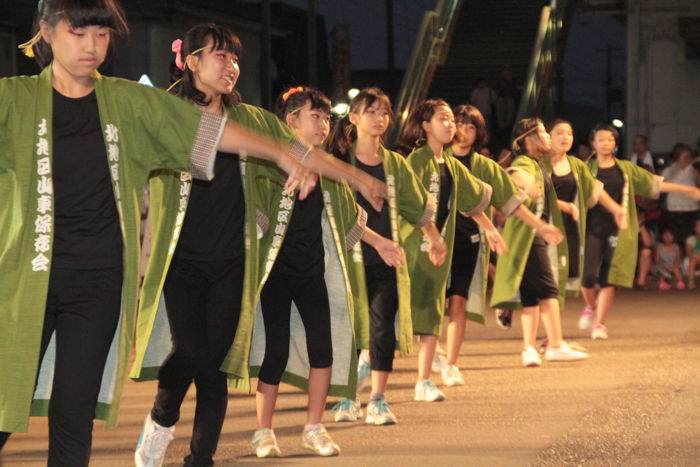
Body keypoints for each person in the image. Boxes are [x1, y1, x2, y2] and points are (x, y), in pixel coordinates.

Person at [0, 1, 334, 464]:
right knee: (4, 401)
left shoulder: (130, 101)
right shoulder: (14, 99)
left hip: (104, 281)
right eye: (79, 34)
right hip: (39, 275)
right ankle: (163, 416)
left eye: (101, 34)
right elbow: (199, 130)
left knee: (78, 412)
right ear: (46, 31)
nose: (92, 46)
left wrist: (283, 157)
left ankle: (199, 457)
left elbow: (216, 137)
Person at [247, 85, 403, 457]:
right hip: (275, 275)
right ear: (291, 121)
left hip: (311, 273)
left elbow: (348, 219)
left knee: (324, 350)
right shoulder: (271, 163)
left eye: (326, 117)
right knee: (275, 352)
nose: (323, 124)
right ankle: (263, 432)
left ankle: (313, 427)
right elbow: (252, 212)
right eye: (315, 117)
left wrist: (380, 242)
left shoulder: (328, 169)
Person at [327, 88, 447, 424]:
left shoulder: (394, 163)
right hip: (346, 257)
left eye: (385, 113)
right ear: (353, 117)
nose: (380, 119)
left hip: (386, 257)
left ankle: (377, 399)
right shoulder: (339, 159)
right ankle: (348, 397)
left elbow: (416, 203)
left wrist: (435, 238)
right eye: (371, 112)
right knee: (348, 328)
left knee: (382, 329)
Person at [438, 105, 562, 384]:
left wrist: (540, 225)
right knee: (431, 305)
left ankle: (450, 364)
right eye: (459, 124)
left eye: (471, 127)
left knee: (458, 303)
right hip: (435, 240)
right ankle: (430, 352)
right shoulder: (436, 158)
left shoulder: (484, 166)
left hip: (469, 238)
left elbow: (510, 200)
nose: (464, 131)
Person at [400, 99, 507, 399]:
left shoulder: (450, 163)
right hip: (412, 247)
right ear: (424, 125)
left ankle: (423, 381)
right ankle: (366, 364)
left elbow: (472, 199)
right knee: (396, 310)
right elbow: (410, 203)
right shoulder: (417, 160)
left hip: (438, 249)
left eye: (451, 120)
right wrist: (430, 235)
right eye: (443, 119)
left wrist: (489, 229)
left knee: (434, 312)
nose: (450, 125)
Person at [579, 124, 700, 340]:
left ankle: (599, 323)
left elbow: (654, 184)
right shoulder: (586, 169)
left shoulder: (625, 169)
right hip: (592, 227)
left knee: (609, 277)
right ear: (593, 143)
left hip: (619, 228)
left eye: (610, 139)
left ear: (615, 144)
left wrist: (688, 190)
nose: (606, 143)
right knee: (587, 277)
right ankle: (590, 305)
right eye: (601, 139)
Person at [491, 118, 589, 367]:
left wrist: (563, 205)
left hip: (526, 236)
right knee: (548, 289)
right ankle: (555, 345)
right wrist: (522, 186)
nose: (547, 137)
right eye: (544, 132)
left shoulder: (537, 163)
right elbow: (515, 177)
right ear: (528, 140)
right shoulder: (525, 163)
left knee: (531, 296)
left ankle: (529, 349)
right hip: (529, 236)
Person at [661, 143, 699, 246]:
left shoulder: (694, 169)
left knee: (690, 241)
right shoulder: (669, 170)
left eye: (689, 156)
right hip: (674, 211)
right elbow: (660, 185)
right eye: (685, 156)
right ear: (677, 157)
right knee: (675, 241)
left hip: (691, 211)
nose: (688, 159)